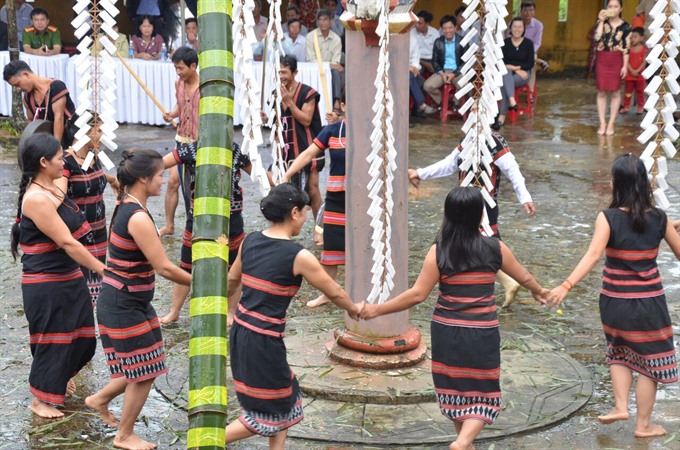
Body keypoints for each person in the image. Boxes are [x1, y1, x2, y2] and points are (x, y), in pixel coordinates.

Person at [360, 186, 550, 450]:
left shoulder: (438, 251)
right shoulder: (495, 247)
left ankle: (464, 443)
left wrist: (376, 309)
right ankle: (462, 442)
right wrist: (540, 292)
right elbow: (524, 277)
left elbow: (417, 294)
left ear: (447, 215)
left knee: (457, 392)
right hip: (481, 331)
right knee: (484, 394)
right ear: (478, 214)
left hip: (446, 331)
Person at [549, 154, 680, 438]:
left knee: (619, 352)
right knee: (649, 362)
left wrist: (566, 285)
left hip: (613, 301)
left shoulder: (607, 218)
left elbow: (593, 255)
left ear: (616, 184)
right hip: (649, 304)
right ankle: (643, 426)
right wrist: (667, 230)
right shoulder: (659, 217)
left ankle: (621, 405)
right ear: (644, 183)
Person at [225, 183, 362, 448]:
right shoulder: (298, 255)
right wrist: (355, 309)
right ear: (295, 212)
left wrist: (229, 309)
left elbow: (232, 280)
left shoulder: (250, 240)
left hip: (242, 332)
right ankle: (202, 440)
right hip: (262, 341)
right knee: (265, 416)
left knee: (286, 397)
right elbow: (333, 291)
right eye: (305, 213)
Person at [84, 149, 191, 450]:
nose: (164, 180)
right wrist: (208, 284)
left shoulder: (127, 201)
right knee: (144, 372)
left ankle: (99, 399)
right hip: (121, 302)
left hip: (129, 300)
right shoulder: (138, 216)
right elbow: (165, 267)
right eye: (159, 175)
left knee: (147, 361)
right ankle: (124, 435)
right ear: (143, 179)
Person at [11, 133, 105, 418]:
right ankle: (40, 399)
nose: (63, 160)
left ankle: (59, 377)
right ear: (43, 162)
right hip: (48, 283)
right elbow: (67, 243)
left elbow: (65, 181)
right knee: (53, 340)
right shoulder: (37, 198)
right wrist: (105, 270)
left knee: (83, 337)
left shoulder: (50, 186)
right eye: (58, 157)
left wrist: (88, 140)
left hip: (68, 276)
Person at [407, 130, 536, 306]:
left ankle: (510, 281)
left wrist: (525, 197)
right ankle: (509, 281)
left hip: (482, 205)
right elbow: (450, 164)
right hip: (462, 204)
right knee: (478, 244)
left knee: (485, 245)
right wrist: (421, 173)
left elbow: (512, 170)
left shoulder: (495, 141)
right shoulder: (468, 139)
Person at [282, 98, 347, 307]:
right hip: (337, 196)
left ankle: (360, 290)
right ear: (343, 105)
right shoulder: (332, 131)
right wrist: (288, 174)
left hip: (363, 199)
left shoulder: (371, 132)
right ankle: (328, 293)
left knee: (363, 246)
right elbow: (309, 153)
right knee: (331, 250)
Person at [156, 46, 199, 324]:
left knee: (189, 189)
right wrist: (172, 114)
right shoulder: (178, 83)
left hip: (198, 147)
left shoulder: (206, 86)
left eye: (182, 68)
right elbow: (180, 107)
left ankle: (190, 223)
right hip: (181, 141)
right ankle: (172, 224)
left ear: (194, 66)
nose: (179, 73)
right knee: (173, 182)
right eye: (176, 69)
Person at [55, 118, 119, 305]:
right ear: (83, 133)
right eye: (97, 131)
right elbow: (57, 197)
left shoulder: (93, 157)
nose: (101, 135)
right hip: (78, 236)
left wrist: (111, 179)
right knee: (79, 291)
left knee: (97, 288)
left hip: (98, 234)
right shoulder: (65, 163)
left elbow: (90, 177)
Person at [261, 55, 324, 220]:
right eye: (279, 72)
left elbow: (306, 119)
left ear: (295, 72)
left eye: (284, 72)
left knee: (313, 190)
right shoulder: (276, 93)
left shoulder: (307, 93)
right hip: (285, 151)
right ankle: (288, 223)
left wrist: (289, 102)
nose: (281, 76)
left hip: (307, 147)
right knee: (280, 183)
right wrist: (264, 119)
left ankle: (321, 228)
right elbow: (276, 121)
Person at [3, 60, 77, 149]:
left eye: (18, 84)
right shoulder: (27, 98)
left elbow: (59, 118)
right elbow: (32, 124)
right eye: (15, 87)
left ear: (26, 75)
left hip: (72, 136)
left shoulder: (56, 87)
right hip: (48, 140)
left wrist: (56, 148)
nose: (18, 89)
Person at [594, 0, 630, 136]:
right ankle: (602, 122)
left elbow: (627, 48)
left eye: (616, 6)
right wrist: (601, 21)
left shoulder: (626, 26)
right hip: (603, 58)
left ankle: (611, 123)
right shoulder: (601, 23)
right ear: (606, 8)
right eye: (610, 6)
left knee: (615, 92)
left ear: (621, 9)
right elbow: (597, 39)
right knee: (601, 91)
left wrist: (625, 66)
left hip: (617, 59)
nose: (613, 9)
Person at [494, 17, 534, 130]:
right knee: (506, 75)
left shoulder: (528, 43)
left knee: (505, 82)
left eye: (520, 27)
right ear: (510, 28)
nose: (517, 29)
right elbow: (501, 62)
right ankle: (512, 101)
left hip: (524, 75)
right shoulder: (505, 43)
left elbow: (530, 63)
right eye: (514, 26)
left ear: (524, 29)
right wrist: (514, 69)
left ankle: (501, 117)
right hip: (508, 72)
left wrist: (518, 69)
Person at [423, 15, 463, 111]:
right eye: (444, 28)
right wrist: (442, 73)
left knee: (464, 84)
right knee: (427, 86)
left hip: (458, 71)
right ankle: (443, 102)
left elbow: (465, 62)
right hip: (443, 71)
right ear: (441, 29)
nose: (447, 31)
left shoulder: (462, 41)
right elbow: (435, 61)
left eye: (450, 28)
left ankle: (454, 102)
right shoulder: (438, 42)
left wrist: (454, 73)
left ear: (455, 27)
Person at [306, 9, 344, 105]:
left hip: (330, 71)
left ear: (331, 21)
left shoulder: (336, 39)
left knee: (336, 73)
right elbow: (311, 60)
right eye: (320, 20)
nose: (322, 23)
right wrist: (329, 65)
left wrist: (330, 66)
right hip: (314, 70)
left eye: (325, 19)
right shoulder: (310, 36)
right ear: (317, 21)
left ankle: (336, 101)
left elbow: (336, 63)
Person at [518, 2, 547, 96]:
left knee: (531, 64)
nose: (528, 13)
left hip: (531, 51)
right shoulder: (514, 23)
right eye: (525, 10)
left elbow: (537, 43)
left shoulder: (538, 25)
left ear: (534, 12)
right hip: (516, 50)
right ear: (521, 12)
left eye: (530, 10)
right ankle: (540, 61)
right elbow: (509, 39)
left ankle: (530, 91)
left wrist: (527, 53)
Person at [409, 31, 436, 117]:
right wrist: (406, 67)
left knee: (423, 84)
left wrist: (415, 67)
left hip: (411, 70)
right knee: (410, 79)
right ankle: (421, 104)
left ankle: (416, 111)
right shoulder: (393, 38)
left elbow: (416, 56)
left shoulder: (412, 38)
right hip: (397, 71)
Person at [621, 27, 646, 114]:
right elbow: (626, 61)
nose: (633, 39)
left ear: (641, 38)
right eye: (631, 37)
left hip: (640, 75)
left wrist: (637, 71)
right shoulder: (629, 49)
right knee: (628, 92)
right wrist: (632, 70)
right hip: (629, 75)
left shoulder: (644, 49)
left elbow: (644, 62)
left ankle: (640, 107)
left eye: (635, 37)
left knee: (640, 92)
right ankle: (626, 106)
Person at [411, 10, 439, 75]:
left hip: (433, 60)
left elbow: (438, 52)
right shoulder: (412, 33)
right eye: (416, 23)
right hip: (418, 60)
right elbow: (411, 54)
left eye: (420, 23)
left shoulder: (434, 33)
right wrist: (426, 64)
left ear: (427, 23)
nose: (417, 25)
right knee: (415, 73)